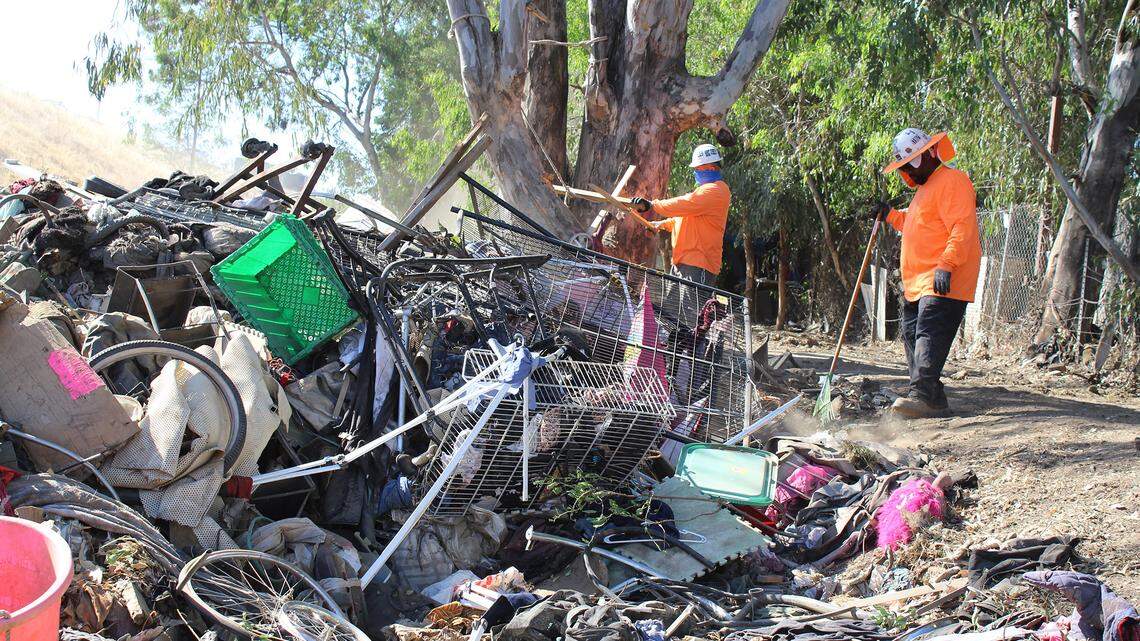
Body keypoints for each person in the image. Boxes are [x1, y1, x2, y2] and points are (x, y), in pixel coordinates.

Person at [873, 127, 981, 418]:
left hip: (942, 278)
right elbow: (917, 225)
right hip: (918, 282)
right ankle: (930, 396)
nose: (908, 170)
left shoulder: (952, 181)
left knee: (928, 333)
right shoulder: (924, 191)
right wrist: (890, 216)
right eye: (904, 166)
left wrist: (947, 264)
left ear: (932, 153)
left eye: (912, 162)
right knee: (911, 334)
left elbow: (962, 226)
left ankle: (921, 395)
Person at [630, 143, 730, 326]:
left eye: (697, 169)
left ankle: (691, 354)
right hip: (683, 264)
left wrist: (653, 205)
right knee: (672, 316)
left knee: (690, 320)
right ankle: (674, 353)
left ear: (709, 167)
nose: (695, 173)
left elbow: (686, 204)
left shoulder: (716, 191)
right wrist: (662, 224)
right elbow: (684, 218)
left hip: (698, 264)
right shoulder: (704, 193)